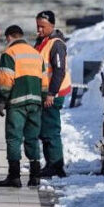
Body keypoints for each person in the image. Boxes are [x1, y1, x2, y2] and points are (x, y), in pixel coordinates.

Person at [0, 25, 48, 187]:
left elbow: (6, 80)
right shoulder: (36, 54)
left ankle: (14, 176)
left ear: (10, 37)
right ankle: (35, 176)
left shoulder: (9, 53)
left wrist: (2, 101)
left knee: (13, 138)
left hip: (17, 103)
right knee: (32, 138)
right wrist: (43, 98)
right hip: (35, 102)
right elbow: (45, 80)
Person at [34, 10, 71, 178]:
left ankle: (56, 166)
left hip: (53, 94)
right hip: (44, 93)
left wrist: (51, 93)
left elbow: (59, 70)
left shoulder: (56, 44)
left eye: (42, 27)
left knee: (50, 130)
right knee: (44, 130)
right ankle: (51, 164)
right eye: (37, 26)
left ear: (52, 25)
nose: (39, 30)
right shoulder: (42, 42)